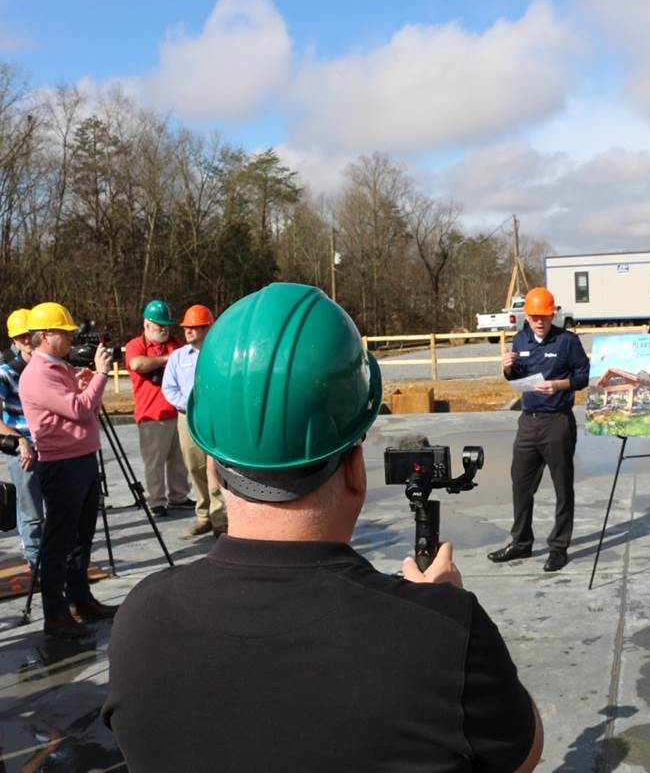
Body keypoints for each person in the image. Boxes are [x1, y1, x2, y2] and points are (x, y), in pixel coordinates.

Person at [104, 283, 543, 773]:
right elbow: (522, 755)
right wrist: (441, 613)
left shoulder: (139, 621)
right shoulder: (442, 633)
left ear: (211, 465)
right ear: (355, 469)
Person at [18, 301, 117, 639]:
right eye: (65, 332)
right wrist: (100, 375)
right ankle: (55, 613)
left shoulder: (57, 368)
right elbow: (79, 410)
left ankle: (80, 599)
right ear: (45, 335)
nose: (71, 337)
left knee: (81, 537)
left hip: (81, 460)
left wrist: (86, 384)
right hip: (63, 465)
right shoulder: (38, 374)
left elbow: (82, 406)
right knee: (59, 542)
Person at [489, 286, 589, 572]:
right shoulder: (520, 339)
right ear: (527, 316)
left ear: (552, 314)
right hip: (528, 422)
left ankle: (558, 547)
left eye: (544, 316)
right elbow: (517, 376)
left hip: (557, 422)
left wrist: (558, 385)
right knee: (520, 484)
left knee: (562, 487)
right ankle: (521, 542)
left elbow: (584, 375)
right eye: (534, 316)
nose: (539, 321)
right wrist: (507, 368)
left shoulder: (567, 341)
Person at [161, 304, 226, 537]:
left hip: (215, 418)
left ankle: (220, 519)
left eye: (194, 327)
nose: (188, 331)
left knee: (214, 468)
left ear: (207, 328)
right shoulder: (178, 357)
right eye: (186, 327)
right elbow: (169, 388)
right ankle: (203, 515)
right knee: (194, 466)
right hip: (187, 417)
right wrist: (189, 406)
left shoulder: (221, 355)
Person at [124, 299, 190, 518]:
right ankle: (157, 500)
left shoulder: (174, 343)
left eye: (166, 325)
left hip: (178, 412)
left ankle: (179, 497)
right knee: (155, 462)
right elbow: (137, 364)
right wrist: (166, 360)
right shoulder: (136, 345)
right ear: (147, 324)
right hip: (152, 414)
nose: (164, 329)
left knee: (179, 461)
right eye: (160, 325)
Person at [1, 308, 44, 571]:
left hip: (50, 444)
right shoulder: (6, 372)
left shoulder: (47, 368)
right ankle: (35, 562)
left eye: (30, 334)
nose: (27, 340)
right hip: (22, 446)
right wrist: (20, 441)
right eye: (21, 337)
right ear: (14, 341)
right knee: (31, 511)